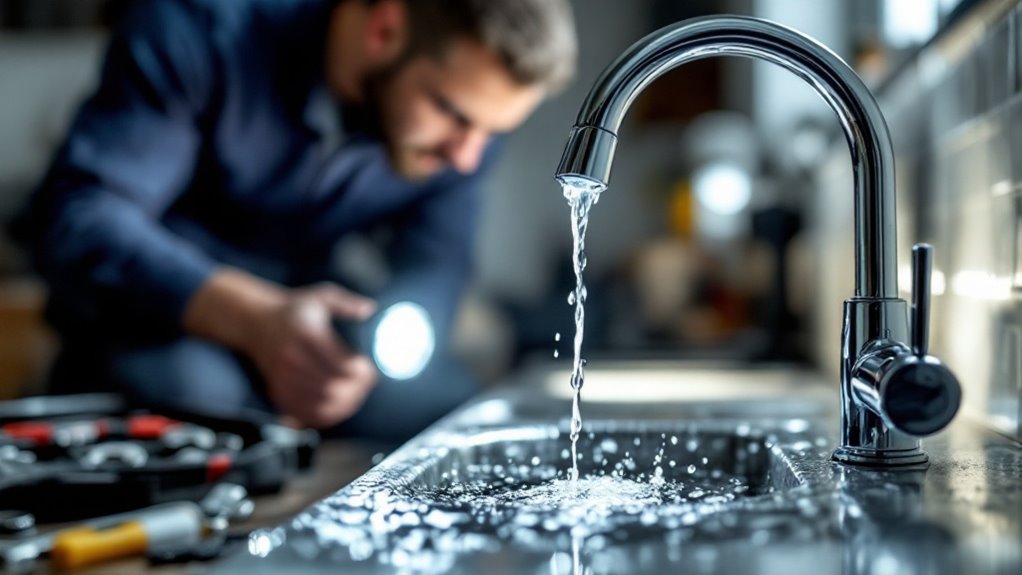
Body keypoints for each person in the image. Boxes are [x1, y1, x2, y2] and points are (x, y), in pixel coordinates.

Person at [16, 0, 577, 440]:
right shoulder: (201, 30)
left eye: (492, 132)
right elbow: (81, 216)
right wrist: (253, 319)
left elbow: (437, 262)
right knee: (205, 399)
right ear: (385, 29)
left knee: (453, 412)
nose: (466, 158)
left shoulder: (464, 125)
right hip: (159, 323)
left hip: (309, 331)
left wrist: (367, 356)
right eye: (453, 116)